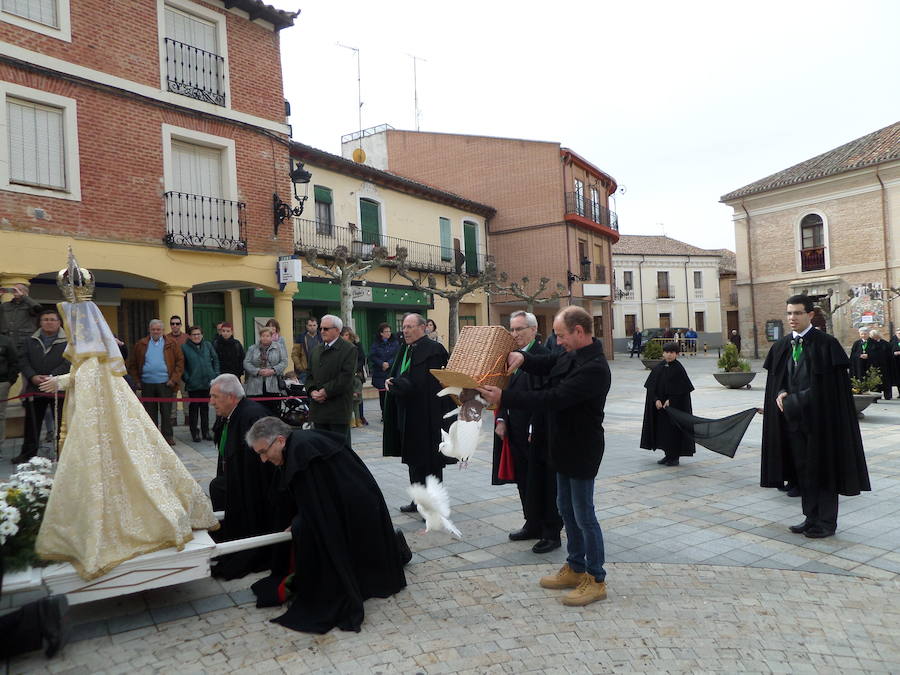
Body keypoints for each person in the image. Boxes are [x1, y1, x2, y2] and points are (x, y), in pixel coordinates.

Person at [35, 255, 218, 580]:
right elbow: (85, 375)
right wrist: (63, 380)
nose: (68, 329)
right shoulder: (96, 357)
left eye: (71, 324)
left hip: (102, 425)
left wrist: (60, 381)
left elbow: (86, 378)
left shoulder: (95, 359)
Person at [478, 306, 610, 607]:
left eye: (561, 336)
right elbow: (548, 361)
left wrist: (504, 398)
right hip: (560, 445)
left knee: (584, 514)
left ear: (579, 332)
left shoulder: (595, 369)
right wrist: (523, 358)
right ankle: (576, 567)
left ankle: (596, 578)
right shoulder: (570, 353)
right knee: (565, 507)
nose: (558, 341)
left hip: (582, 449)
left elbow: (554, 398)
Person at [246, 418, 408, 634]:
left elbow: (320, 510)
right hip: (355, 503)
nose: (264, 459)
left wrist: (300, 523)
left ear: (280, 441)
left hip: (359, 507)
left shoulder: (302, 451)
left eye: (263, 452)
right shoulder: (297, 446)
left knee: (308, 530)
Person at [761, 294, 870, 539]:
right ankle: (810, 517)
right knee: (803, 471)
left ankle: (826, 522)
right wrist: (781, 392)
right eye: (789, 313)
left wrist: (793, 401)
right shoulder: (782, 346)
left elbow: (828, 388)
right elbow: (779, 381)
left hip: (821, 423)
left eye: (797, 313)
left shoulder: (826, 344)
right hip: (793, 422)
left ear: (810, 315)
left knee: (823, 471)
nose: (792, 318)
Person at [492, 310, 561, 554]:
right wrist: (500, 418)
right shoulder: (510, 356)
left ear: (533, 330)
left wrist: (534, 425)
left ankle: (551, 531)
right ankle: (531, 523)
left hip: (537, 430)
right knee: (523, 479)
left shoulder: (543, 356)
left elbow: (542, 396)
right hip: (513, 428)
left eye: (519, 329)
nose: (515, 334)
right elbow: (502, 389)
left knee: (544, 480)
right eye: (512, 329)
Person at [383, 313, 455, 512]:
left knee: (430, 463)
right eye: (404, 327)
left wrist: (400, 384)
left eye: (410, 326)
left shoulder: (434, 350)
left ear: (423, 328)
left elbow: (428, 385)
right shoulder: (406, 349)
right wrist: (393, 382)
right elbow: (402, 374)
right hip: (409, 414)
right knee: (413, 461)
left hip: (428, 416)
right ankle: (418, 501)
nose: (405, 331)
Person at [207, 373, 275, 579]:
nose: (211, 403)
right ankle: (228, 539)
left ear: (231, 397)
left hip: (256, 489)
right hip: (237, 478)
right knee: (218, 486)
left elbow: (265, 462)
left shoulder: (252, 416)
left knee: (219, 487)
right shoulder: (232, 415)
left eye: (215, 397)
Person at [15, 309, 69, 463]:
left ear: (59, 322)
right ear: (40, 322)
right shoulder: (29, 340)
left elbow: (69, 362)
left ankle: (61, 453)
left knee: (61, 424)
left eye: (52, 319)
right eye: (45, 319)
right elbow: (22, 360)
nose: (49, 322)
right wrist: (32, 376)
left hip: (58, 387)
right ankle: (28, 453)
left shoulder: (68, 341)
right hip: (34, 387)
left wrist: (52, 377)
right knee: (32, 423)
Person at [128, 319, 184, 446]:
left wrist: (173, 380)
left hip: (166, 383)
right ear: (149, 330)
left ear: (162, 330)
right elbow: (132, 364)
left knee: (166, 412)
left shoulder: (171, 343)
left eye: (158, 329)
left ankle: (167, 437)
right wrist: (137, 381)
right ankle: (152, 438)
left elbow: (180, 363)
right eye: (153, 329)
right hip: (147, 383)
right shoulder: (141, 344)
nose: (156, 331)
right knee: (150, 413)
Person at [640, 342, 695, 466]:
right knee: (663, 432)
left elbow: (683, 390)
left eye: (672, 353)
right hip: (660, 408)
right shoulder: (659, 367)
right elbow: (651, 387)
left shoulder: (679, 369)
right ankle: (667, 455)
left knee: (673, 432)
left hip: (674, 409)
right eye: (667, 352)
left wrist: (671, 400)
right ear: (663, 353)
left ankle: (674, 457)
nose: (669, 355)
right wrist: (656, 400)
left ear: (676, 354)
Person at [305, 315, 356, 441]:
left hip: (337, 410)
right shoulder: (316, 350)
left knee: (340, 450)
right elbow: (309, 374)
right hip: (318, 410)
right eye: (321, 328)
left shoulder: (349, 349)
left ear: (337, 330)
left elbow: (346, 377)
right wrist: (312, 391)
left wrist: (325, 391)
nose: (322, 331)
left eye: (326, 329)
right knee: (321, 448)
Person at [182, 325, 220, 442]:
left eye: (198, 334)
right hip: (193, 384)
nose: (196, 336)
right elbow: (182, 366)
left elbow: (216, 360)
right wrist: (188, 378)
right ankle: (195, 432)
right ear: (189, 336)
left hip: (207, 382)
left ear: (202, 335)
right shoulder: (184, 347)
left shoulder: (208, 345)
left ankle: (206, 432)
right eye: (194, 334)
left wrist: (215, 375)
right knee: (194, 409)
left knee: (205, 408)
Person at [243, 326, 286, 416]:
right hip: (255, 386)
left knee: (273, 412)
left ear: (271, 337)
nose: (265, 338)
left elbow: (284, 362)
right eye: (263, 336)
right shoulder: (252, 348)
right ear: (260, 337)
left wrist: (273, 370)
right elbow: (246, 363)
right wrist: (257, 371)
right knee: (256, 412)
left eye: (267, 336)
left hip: (273, 385)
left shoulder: (279, 347)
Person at [368, 322, 399, 418]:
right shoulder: (376, 343)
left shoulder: (395, 342)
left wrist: (389, 363)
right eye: (386, 331)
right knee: (383, 395)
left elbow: (397, 355)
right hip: (380, 372)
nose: (388, 333)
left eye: (389, 331)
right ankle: (384, 414)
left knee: (392, 393)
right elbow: (372, 356)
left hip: (391, 371)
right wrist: (381, 363)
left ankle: (392, 413)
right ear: (381, 333)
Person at [0, 283, 42, 353]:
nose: (16, 291)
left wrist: (23, 296)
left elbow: (38, 309)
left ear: (26, 292)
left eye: (19, 289)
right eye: (14, 290)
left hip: (23, 342)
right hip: (6, 341)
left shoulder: (30, 305)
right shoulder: (5, 305)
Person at [340, 326, 368, 427]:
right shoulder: (341, 345)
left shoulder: (356, 345)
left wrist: (356, 369)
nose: (347, 337)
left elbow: (362, 358)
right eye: (345, 335)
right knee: (349, 398)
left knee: (358, 398)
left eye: (348, 334)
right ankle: (350, 419)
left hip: (357, 374)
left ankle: (359, 417)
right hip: (346, 374)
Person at [166, 315, 189, 426]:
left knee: (185, 395)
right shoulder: (165, 338)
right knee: (172, 395)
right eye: (172, 323)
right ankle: (173, 418)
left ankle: (187, 417)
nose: (175, 326)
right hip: (171, 371)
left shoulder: (187, 338)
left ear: (180, 325)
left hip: (184, 371)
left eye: (177, 323)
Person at [0, 331, 18, 454]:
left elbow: (14, 361)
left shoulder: (6, 341)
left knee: (0, 415)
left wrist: (10, 380)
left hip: (1, 382)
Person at [867, 329, 894, 400]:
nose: (874, 339)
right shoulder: (869, 343)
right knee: (875, 382)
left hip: (884, 366)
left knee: (886, 382)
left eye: (875, 337)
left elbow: (889, 355)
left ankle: (888, 396)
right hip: (873, 366)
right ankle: (875, 397)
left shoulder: (885, 344)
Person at [298, 317, 323, 384]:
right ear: (306, 326)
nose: (312, 327)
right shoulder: (301, 337)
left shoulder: (322, 337)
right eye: (310, 325)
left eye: (314, 325)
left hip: (319, 368)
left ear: (317, 326)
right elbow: (295, 354)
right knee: (304, 389)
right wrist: (300, 367)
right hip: (305, 369)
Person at [891, 329, 900, 399]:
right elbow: (889, 351)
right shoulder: (893, 341)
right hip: (896, 363)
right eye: (898, 333)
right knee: (898, 379)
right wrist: (894, 353)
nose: (899, 334)